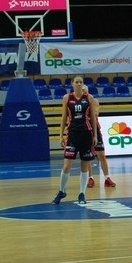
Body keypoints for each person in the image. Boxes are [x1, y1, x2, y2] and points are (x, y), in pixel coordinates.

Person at [51, 76, 98, 205]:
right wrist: (61, 135)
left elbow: (93, 118)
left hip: (86, 134)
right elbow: (63, 117)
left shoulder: (89, 98)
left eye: (81, 82)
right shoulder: (67, 98)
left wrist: (95, 136)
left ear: (83, 84)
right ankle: (61, 191)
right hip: (72, 134)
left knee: (84, 167)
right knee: (66, 166)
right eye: (76, 82)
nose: (78, 84)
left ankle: (82, 194)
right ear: (72, 84)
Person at [83, 88, 115, 188]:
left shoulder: (94, 101)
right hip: (83, 130)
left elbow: (95, 113)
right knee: (87, 156)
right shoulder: (76, 103)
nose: (83, 93)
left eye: (85, 91)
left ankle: (107, 178)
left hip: (95, 129)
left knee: (101, 155)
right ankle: (90, 178)